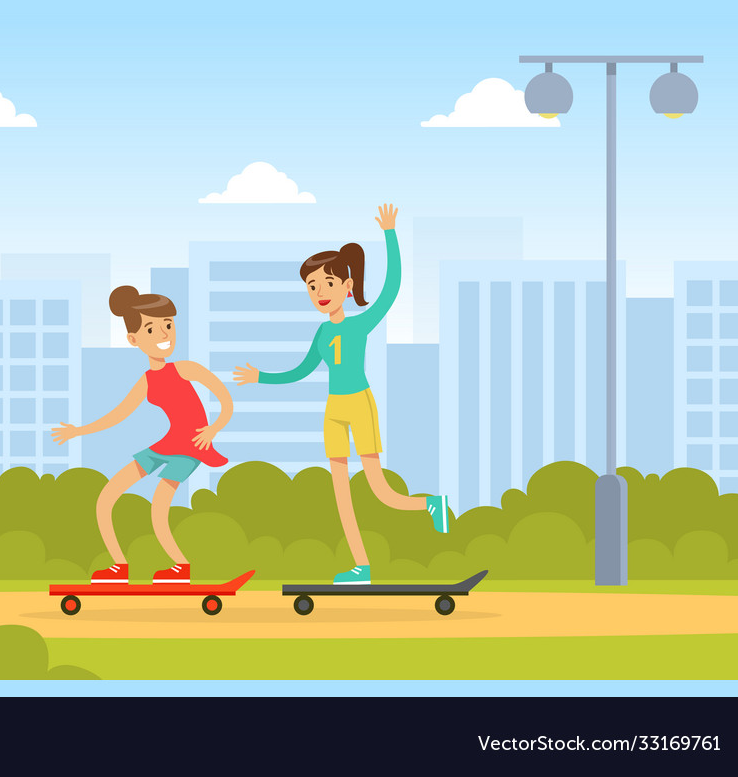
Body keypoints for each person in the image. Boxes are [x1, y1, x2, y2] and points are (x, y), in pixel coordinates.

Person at [234, 204, 451, 585]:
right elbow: (300, 371)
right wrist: (260, 377)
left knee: (378, 487)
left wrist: (390, 234)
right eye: (312, 286)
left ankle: (430, 504)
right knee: (340, 495)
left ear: (347, 288)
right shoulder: (321, 335)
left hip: (359, 404)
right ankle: (361, 566)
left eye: (327, 284)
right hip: (333, 410)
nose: (319, 292)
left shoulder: (359, 324)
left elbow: (392, 288)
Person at [52, 286, 232, 584]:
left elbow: (225, 399)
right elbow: (118, 415)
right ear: (133, 340)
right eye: (152, 328)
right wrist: (78, 431)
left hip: (190, 448)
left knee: (158, 507)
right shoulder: (147, 381)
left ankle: (180, 567)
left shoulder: (186, 368)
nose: (164, 335)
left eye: (169, 326)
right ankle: (118, 567)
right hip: (165, 445)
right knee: (106, 498)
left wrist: (214, 428)